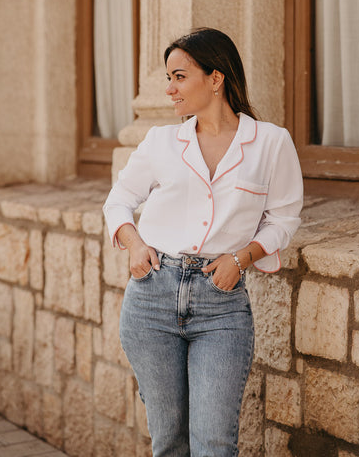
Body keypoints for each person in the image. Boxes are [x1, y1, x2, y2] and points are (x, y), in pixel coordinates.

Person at [103, 28, 303, 457]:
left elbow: (284, 219)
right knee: (170, 441)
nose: (169, 89)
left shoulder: (270, 142)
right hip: (152, 299)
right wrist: (135, 244)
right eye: (169, 78)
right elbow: (119, 201)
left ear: (216, 79)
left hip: (221, 302)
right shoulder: (161, 142)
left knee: (214, 442)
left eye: (179, 76)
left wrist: (242, 257)